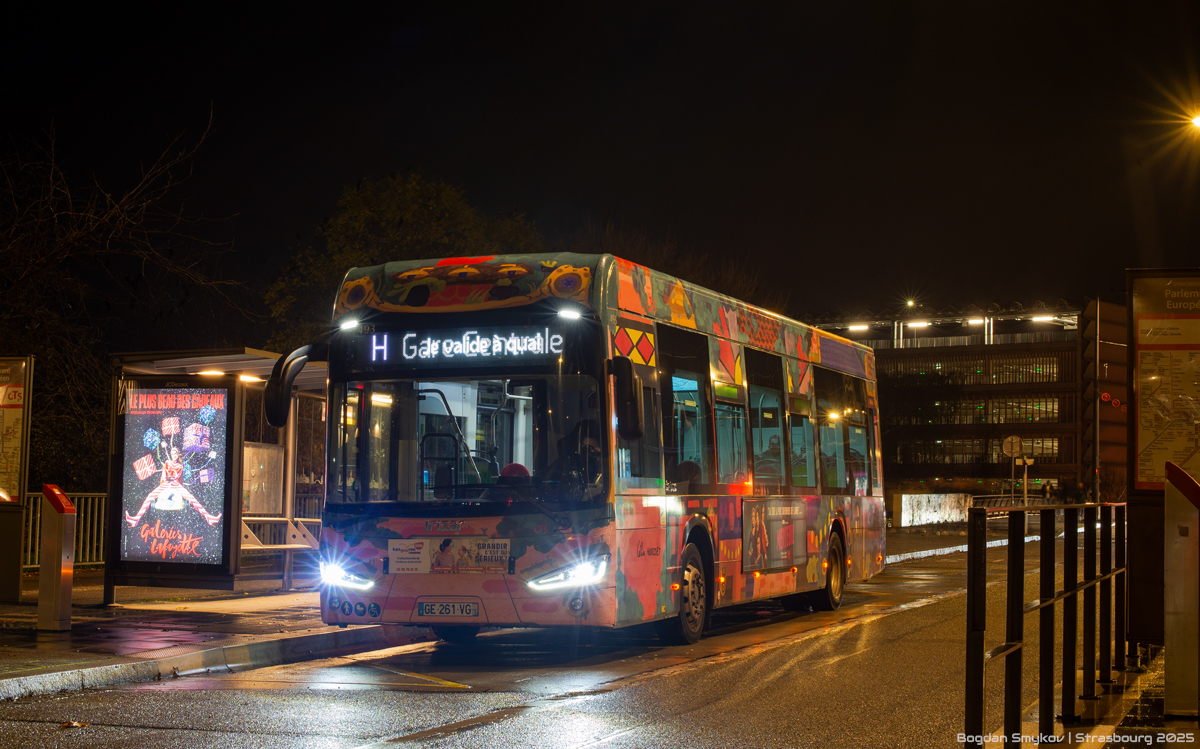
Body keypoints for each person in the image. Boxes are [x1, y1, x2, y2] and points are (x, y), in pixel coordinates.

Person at [125, 447, 223, 528]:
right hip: (166, 484)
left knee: (191, 498)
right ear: (171, 454)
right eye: (172, 453)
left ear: (178, 454)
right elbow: (163, 476)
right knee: (150, 496)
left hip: (176, 485)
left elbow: (179, 478)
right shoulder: (167, 462)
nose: (174, 455)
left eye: (175, 453)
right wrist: (164, 480)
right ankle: (136, 519)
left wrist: (175, 483)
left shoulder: (181, 466)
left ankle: (209, 518)